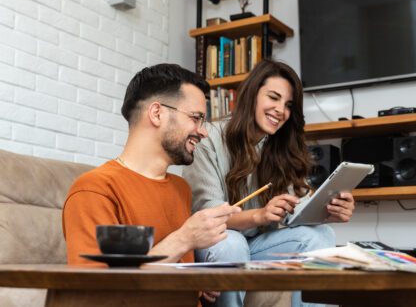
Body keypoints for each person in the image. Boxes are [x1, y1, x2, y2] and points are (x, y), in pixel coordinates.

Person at [63, 63, 240, 304]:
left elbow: (173, 272)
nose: (203, 132)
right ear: (157, 113)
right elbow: (97, 290)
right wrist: (184, 239)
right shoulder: (94, 190)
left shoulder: (180, 189)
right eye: (196, 118)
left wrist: (197, 283)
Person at [183, 60, 355, 307]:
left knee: (321, 235)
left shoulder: (281, 149)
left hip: (257, 247)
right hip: (218, 243)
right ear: (252, 95)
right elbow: (209, 217)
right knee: (232, 242)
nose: (280, 110)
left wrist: (328, 212)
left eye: (287, 105)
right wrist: (259, 216)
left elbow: (299, 209)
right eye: (273, 98)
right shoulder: (209, 140)